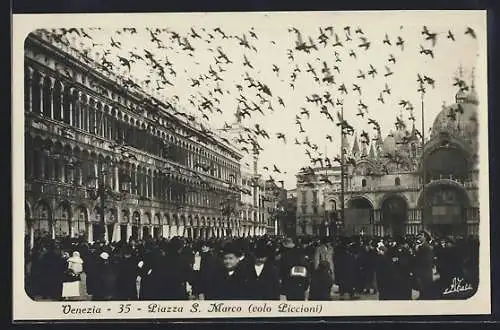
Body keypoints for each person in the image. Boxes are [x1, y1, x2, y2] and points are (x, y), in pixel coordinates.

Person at [413, 230, 436, 300]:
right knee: (423, 290)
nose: (419, 236)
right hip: (423, 271)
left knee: (424, 290)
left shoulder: (426, 247)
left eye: (421, 235)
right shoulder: (421, 246)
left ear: (425, 237)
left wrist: (416, 254)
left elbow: (425, 261)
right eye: (419, 235)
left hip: (424, 272)